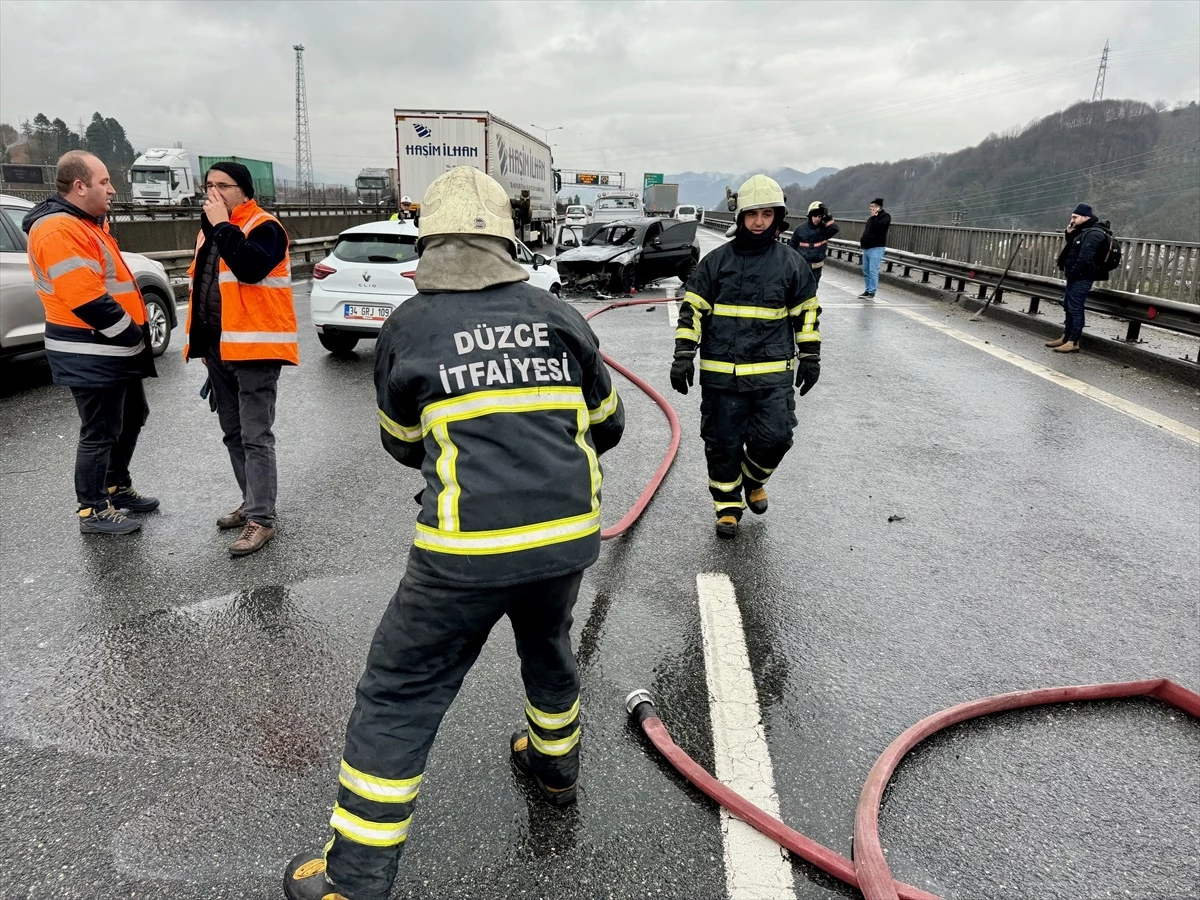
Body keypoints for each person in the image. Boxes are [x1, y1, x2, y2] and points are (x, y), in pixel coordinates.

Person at [283, 166, 624, 900]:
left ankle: (355, 878)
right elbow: (610, 424)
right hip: (566, 537)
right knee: (547, 643)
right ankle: (554, 765)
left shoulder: (410, 325)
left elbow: (402, 440)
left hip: (463, 553)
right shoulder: (558, 314)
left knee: (400, 692)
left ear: (429, 241)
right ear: (507, 238)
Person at [671, 174, 821, 540]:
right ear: (740, 217)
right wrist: (683, 355)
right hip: (722, 377)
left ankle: (753, 480)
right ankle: (727, 507)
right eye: (753, 214)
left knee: (776, 438)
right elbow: (692, 310)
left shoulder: (792, 264)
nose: (758, 222)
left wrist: (811, 357)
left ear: (777, 217)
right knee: (721, 443)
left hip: (772, 377)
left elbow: (807, 312)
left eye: (766, 214)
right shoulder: (716, 263)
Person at [22, 150, 158, 535]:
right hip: (90, 348)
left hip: (107, 347)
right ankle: (93, 509)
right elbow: (86, 299)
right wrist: (133, 336)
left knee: (132, 417)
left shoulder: (86, 224)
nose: (113, 190)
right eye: (104, 182)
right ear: (79, 186)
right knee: (99, 430)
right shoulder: (58, 229)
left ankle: (115, 487)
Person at [184, 161, 297, 557]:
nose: (212, 193)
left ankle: (261, 520)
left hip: (255, 349)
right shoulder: (208, 232)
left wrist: (221, 226)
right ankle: (252, 502)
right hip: (220, 348)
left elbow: (249, 268)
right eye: (208, 186)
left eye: (222, 186)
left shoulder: (264, 227)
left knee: (255, 436)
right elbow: (203, 288)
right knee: (232, 433)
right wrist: (201, 346)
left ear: (244, 192)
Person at [1049, 203, 1111, 354]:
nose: (1072, 219)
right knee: (1069, 307)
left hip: (1082, 276)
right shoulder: (1084, 231)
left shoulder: (1094, 233)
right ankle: (1065, 337)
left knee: (1076, 308)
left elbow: (1084, 258)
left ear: (1086, 217)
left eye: (1075, 217)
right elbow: (1073, 246)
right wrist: (1070, 231)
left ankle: (1073, 341)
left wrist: (1073, 273)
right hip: (1076, 276)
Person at [789, 200, 840, 285]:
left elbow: (835, 229)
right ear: (810, 216)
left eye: (820, 216)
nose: (817, 219)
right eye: (815, 216)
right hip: (803, 265)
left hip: (817, 265)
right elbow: (792, 247)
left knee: (813, 288)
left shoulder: (824, 229)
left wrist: (828, 217)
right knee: (801, 288)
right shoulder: (800, 229)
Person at [858, 197, 890, 299]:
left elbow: (881, 227)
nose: (870, 209)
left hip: (876, 248)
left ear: (878, 207)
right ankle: (867, 290)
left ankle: (872, 291)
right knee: (866, 270)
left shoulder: (886, 217)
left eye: (872, 207)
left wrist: (875, 217)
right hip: (867, 248)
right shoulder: (871, 218)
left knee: (873, 271)